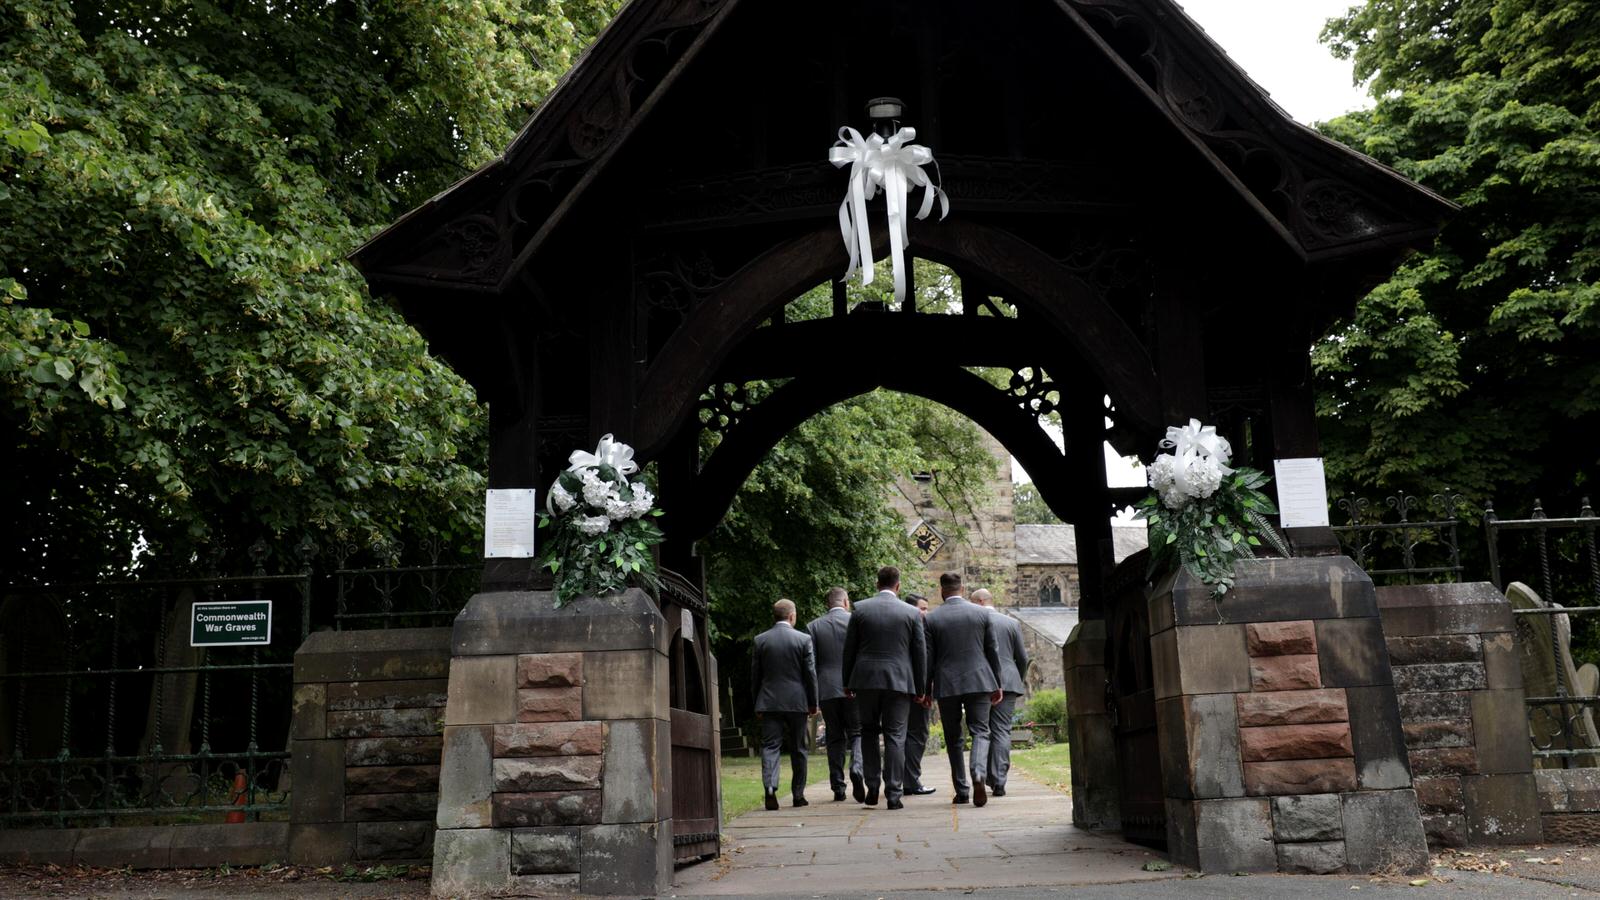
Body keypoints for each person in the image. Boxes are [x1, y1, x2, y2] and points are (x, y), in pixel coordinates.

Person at [842, 565, 928, 810]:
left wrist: (847, 682)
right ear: (898, 586)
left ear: (877, 584)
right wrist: (920, 687)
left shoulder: (860, 609)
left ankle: (872, 787)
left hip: (866, 680)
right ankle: (893, 792)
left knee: (868, 731)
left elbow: (850, 649)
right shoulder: (911, 613)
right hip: (899, 682)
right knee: (896, 736)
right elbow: (919, 652)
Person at [923, 572, 1002, 807]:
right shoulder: (980, 613)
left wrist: (926, 688)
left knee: (953, 737)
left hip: (947, 683)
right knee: (981, 730)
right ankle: (978, 772)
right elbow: (992, 650)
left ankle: (962, 790)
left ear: (941, 591)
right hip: (979, 679)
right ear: (963, 588)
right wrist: (997, 683)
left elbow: (928, 657)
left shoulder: (931, 619)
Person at [751, 598, 820, 810]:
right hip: (797, 702)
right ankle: (798, 794)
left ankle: (770, 788)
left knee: (771, 746)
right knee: (799, 748)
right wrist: (813, 702)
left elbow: (755, 676)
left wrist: (757, 704)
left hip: (769, 701)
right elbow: (810, 674)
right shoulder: (803, 639)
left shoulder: (760, 640)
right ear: (792, 616)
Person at [806, 587, 865, 802]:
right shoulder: (857, 621)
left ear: (827, 604)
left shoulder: (814, 626)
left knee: (834, 737)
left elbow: (811, 665)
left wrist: (813, 695)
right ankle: (857, 767)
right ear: (846, 602)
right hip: (854, 686)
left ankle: (838, 786)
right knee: (857, 732)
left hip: (827, 688)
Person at [973, 588, 1029, 797]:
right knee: (1002, 731)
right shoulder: (1011, 623)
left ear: (979, 602)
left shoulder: (975, 622)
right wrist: (1017, 679)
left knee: (982, 730)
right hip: (1009, 680)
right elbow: (1022, 658)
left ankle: (984, 774)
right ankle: (999, 781)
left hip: (982, 682)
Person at [902, 593, 937, 797]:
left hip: (899, 688)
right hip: (916, 690)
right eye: (922, 608)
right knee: (918, 733)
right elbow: (924, 662)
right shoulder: (919, 630)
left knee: (900, 734)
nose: (926, 612)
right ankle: (911, 780)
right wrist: (925, 691)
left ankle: (898, 778)